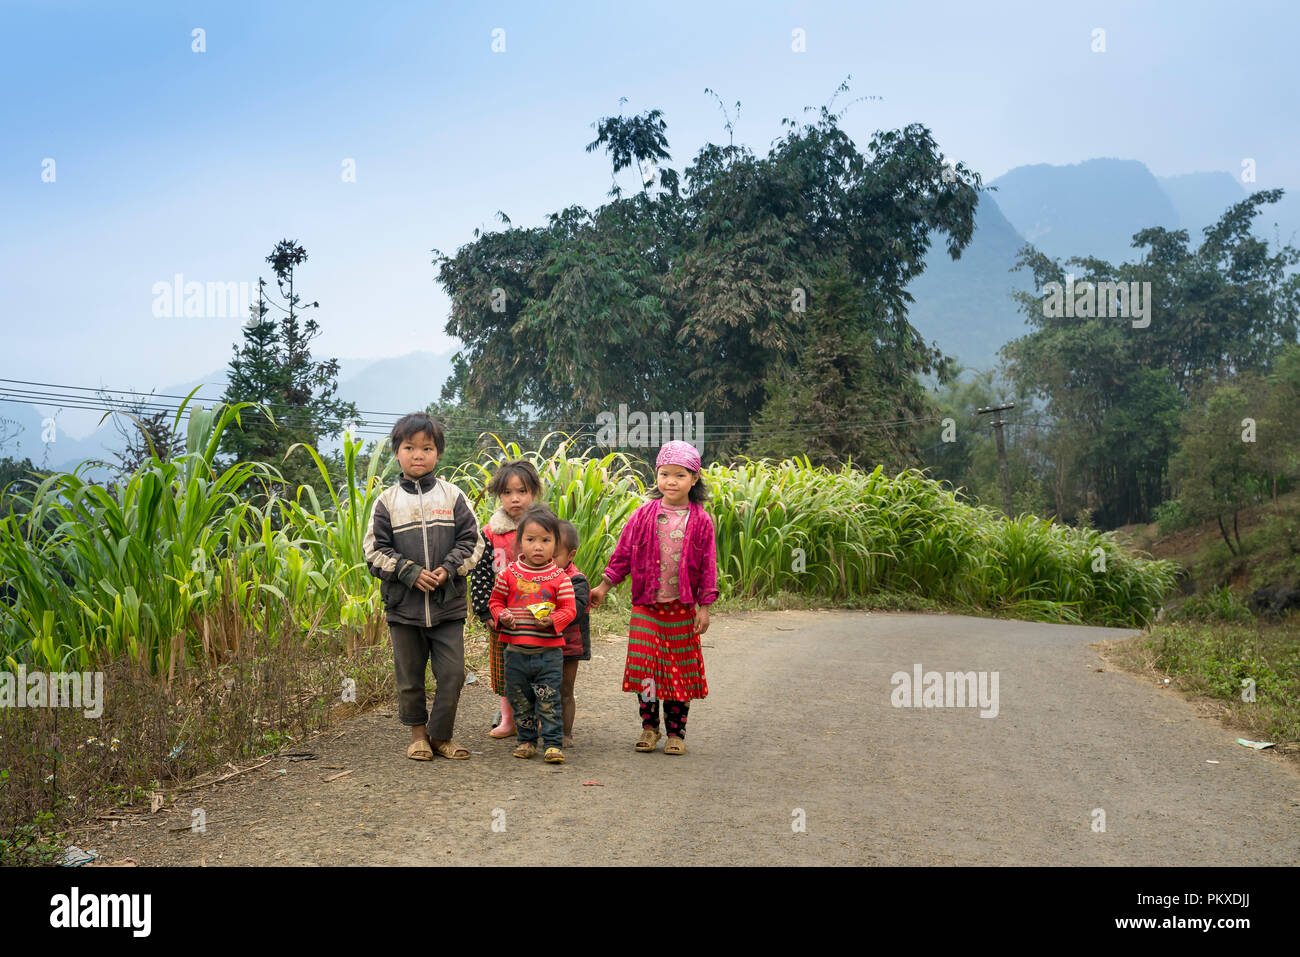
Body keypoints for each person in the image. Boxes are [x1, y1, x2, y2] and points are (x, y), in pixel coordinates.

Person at [363, 413, 484, 761]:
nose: (418, 455)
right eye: (409, 447)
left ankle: (440, 735)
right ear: (397, 454)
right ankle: (418, 736)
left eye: (427, 448)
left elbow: (472, 542)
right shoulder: (386, 502)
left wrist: (448, 569)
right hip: (404, 607)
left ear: (438, 453)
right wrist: (409, 571)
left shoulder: (453, 495)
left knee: (453, 674)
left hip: (448, 605)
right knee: (410, 677)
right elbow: (374, 551)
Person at [589, 441, 716, 756]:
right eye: (664, 474)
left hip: (682, 607)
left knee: (679, 672)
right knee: (647, 668)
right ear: (657, 476)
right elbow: (622, 556)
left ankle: (676, 733)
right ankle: (649, 728)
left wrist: (705, 607)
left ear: (694, 478)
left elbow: (708, 567)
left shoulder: (701, 521)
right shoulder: (643, 515)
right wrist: (603, 587)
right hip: (646, 606)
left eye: (679, 475)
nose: (671, 482)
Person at [489, 505, 577, 764]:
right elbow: (495, 602)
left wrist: (552, 620)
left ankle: (552, 744)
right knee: (521, 699)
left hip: (548, 654)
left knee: (549, 699)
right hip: (515, 652)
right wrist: (502, 615)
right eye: (530, 540)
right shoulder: (508, 575)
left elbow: (569, 609)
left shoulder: (560, 578)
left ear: (556, 544)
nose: (537, 546)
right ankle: (526, 740)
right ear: (520, 543)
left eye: (545, 540)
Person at [468, 459, 543, 738]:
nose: (515, 498)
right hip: (504, 617)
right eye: (508, 492)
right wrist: (486, 612)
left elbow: (560, 569)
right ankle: (509, 720)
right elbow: (480, 574)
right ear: (499, 495)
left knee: (536, 669)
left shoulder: (544, 530)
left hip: (538, 617)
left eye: (522, 491)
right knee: (506, 670)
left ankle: (536, 718)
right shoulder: (490, 534)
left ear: (533, 493)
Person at [554, 520, 591, 749]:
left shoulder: (577, 579)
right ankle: (542, 728)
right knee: (541, 687)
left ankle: (566, 732)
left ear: (571, 555)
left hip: (570, 645)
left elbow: (576, 610)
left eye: (555, 554)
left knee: (565, 689)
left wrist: (552, 611)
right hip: (543, 642)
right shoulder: (537, 577)